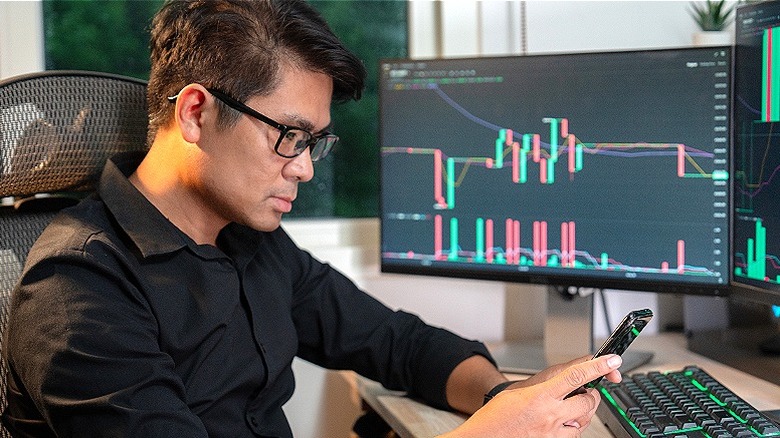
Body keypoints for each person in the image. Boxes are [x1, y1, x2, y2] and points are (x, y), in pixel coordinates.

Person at [1, 1, 622, 436]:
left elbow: (397, 343)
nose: (304, 169)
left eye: (314, 143)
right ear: (194, 113)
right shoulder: (76, 290)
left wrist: (504, 398)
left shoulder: (251, 241)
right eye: (290, 136)